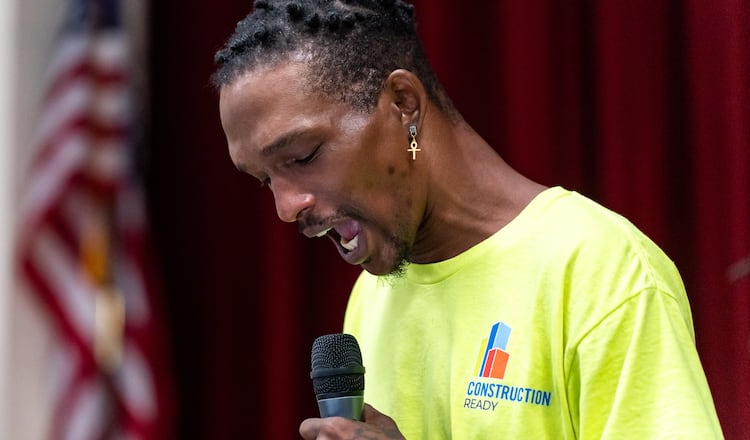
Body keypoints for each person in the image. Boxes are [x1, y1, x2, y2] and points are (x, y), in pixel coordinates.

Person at [212, 0, 723, 438]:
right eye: (264, 179)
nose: (285, 207)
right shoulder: (374, 296)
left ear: (403, 104)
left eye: (302, 157)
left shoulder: (601, 271)